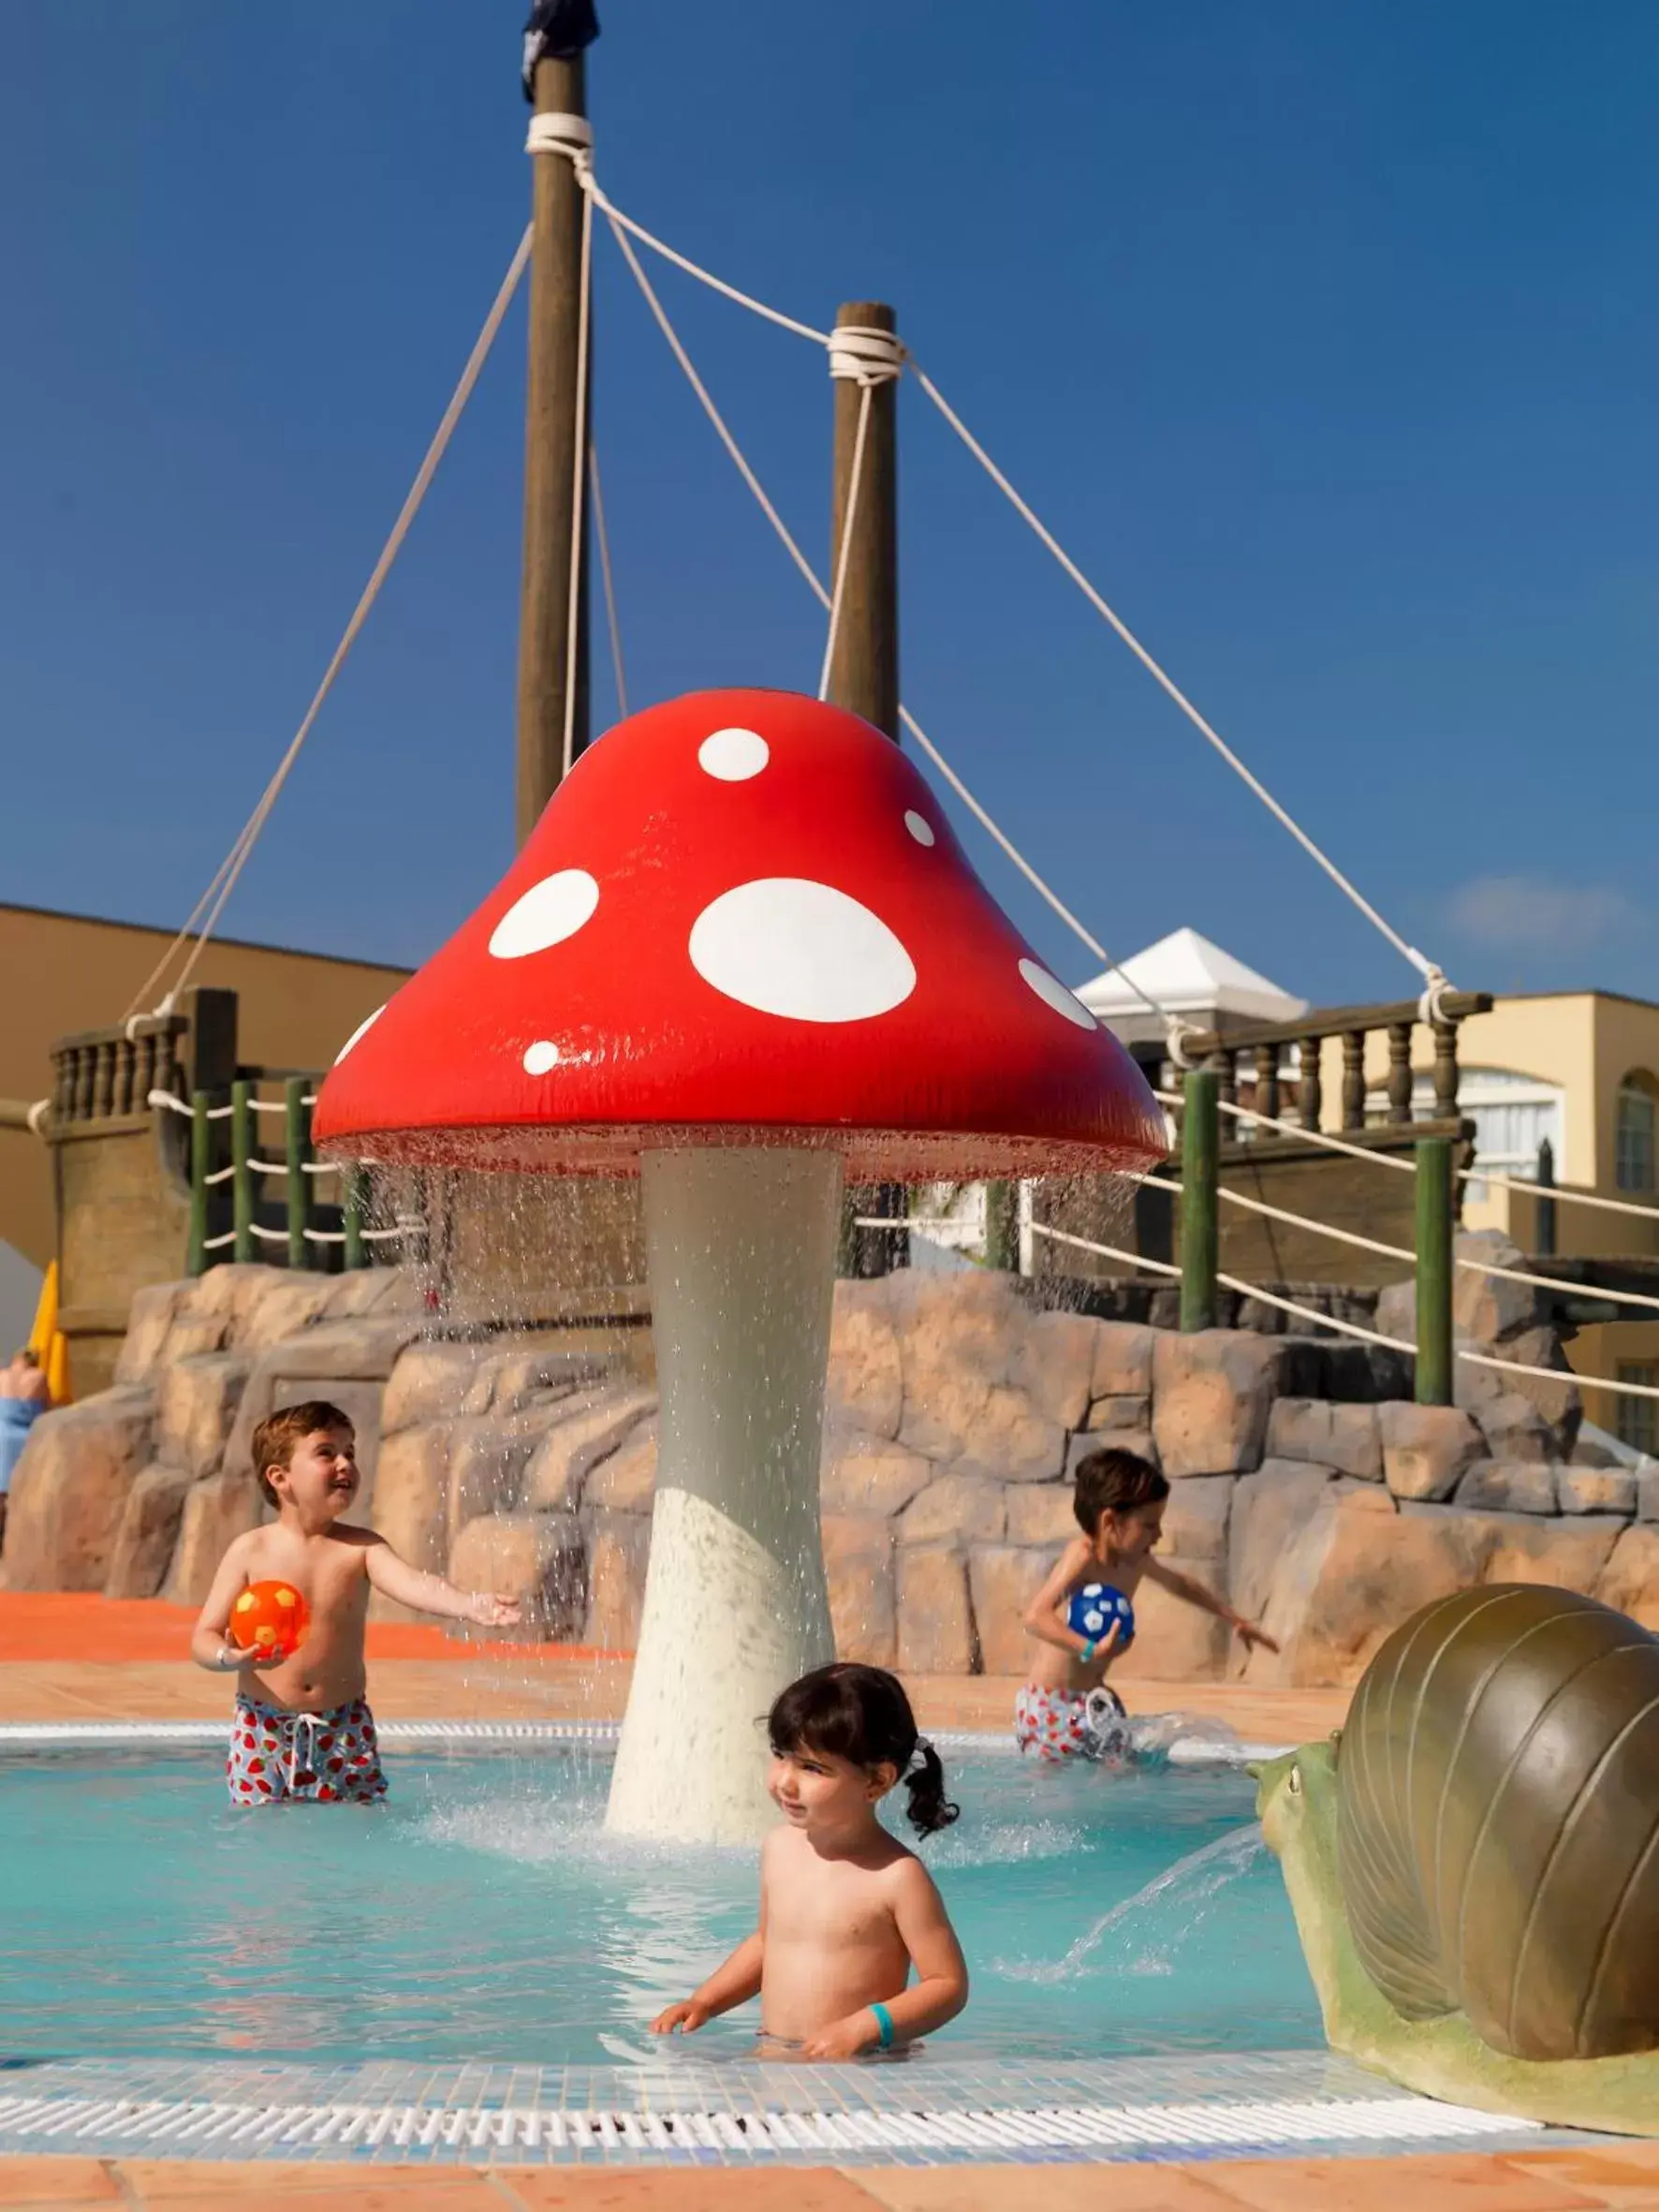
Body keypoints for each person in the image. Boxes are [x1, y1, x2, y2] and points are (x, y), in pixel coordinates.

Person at [191, 1399, 521, 1806]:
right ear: (280, 1477)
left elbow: (415, 1584)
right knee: (260, 1839)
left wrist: (468, 1605)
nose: (344, 1463)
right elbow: (203, 1637)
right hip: (264, 1726)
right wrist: (232, 1658)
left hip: (344, 1726)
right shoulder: (251, 1550)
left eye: (349, 1452)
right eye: (326, 1453)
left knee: (357, 1828)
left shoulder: (360, 1548)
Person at [650, 1662, 970, 2058]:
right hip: (776, 2054)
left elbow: (947, 1984)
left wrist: (864, 2028)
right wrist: (706, 2002)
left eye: (811, 1768)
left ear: (877, 1782)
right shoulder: (779, 1848)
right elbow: (768, 1942)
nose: (785, 1780)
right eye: (781, 1756)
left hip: (861, 2070)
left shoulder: (896, 1878)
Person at [1016, 1447, 1280, 1761]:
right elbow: (1036, 1617)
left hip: (1093, 1698)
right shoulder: (1083, 1556)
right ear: (1110, 1521)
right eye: (1149, 1525)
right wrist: (1089, 1649)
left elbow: (1181, 1584)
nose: (1159, 1535)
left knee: (1123, 1774)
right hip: (1050, 1705)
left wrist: (1235, 1619)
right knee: (1060, 1797)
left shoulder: (1135, 1561)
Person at [0, 1348, 51, 1547]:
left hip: (1, 1435)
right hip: (27, 1438)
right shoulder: (39, 1376)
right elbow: (48, 1407)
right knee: (23, 1492)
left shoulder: (2, 1376)